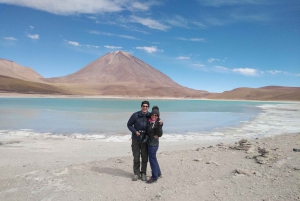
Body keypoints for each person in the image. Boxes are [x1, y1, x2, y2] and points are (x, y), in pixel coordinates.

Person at [127, 100, 150, 181]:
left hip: (145, 140)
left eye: (146, 106)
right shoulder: (135, 115)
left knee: (144, 157)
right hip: (136, 139)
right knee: (136, 157)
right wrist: (135, 131)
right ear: (141, 107)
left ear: (148, 107)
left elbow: (156, 121)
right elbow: (129, 124)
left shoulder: (150, 116)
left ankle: (143, 173)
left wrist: (161, 123)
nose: (145, 107)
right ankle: (136, 174)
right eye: (143, 106)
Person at [145, 106, 163, 183]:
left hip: (153, 144)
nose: (154, 116)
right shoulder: (149, 121)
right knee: (154, 158)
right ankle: (158, 173)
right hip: (149, 142)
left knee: (152, 159)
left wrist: (159, 126)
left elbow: (160, 133)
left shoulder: (158, 123)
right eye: (153, 115)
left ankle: (154, 177)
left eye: (156, 115)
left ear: (158, 116)